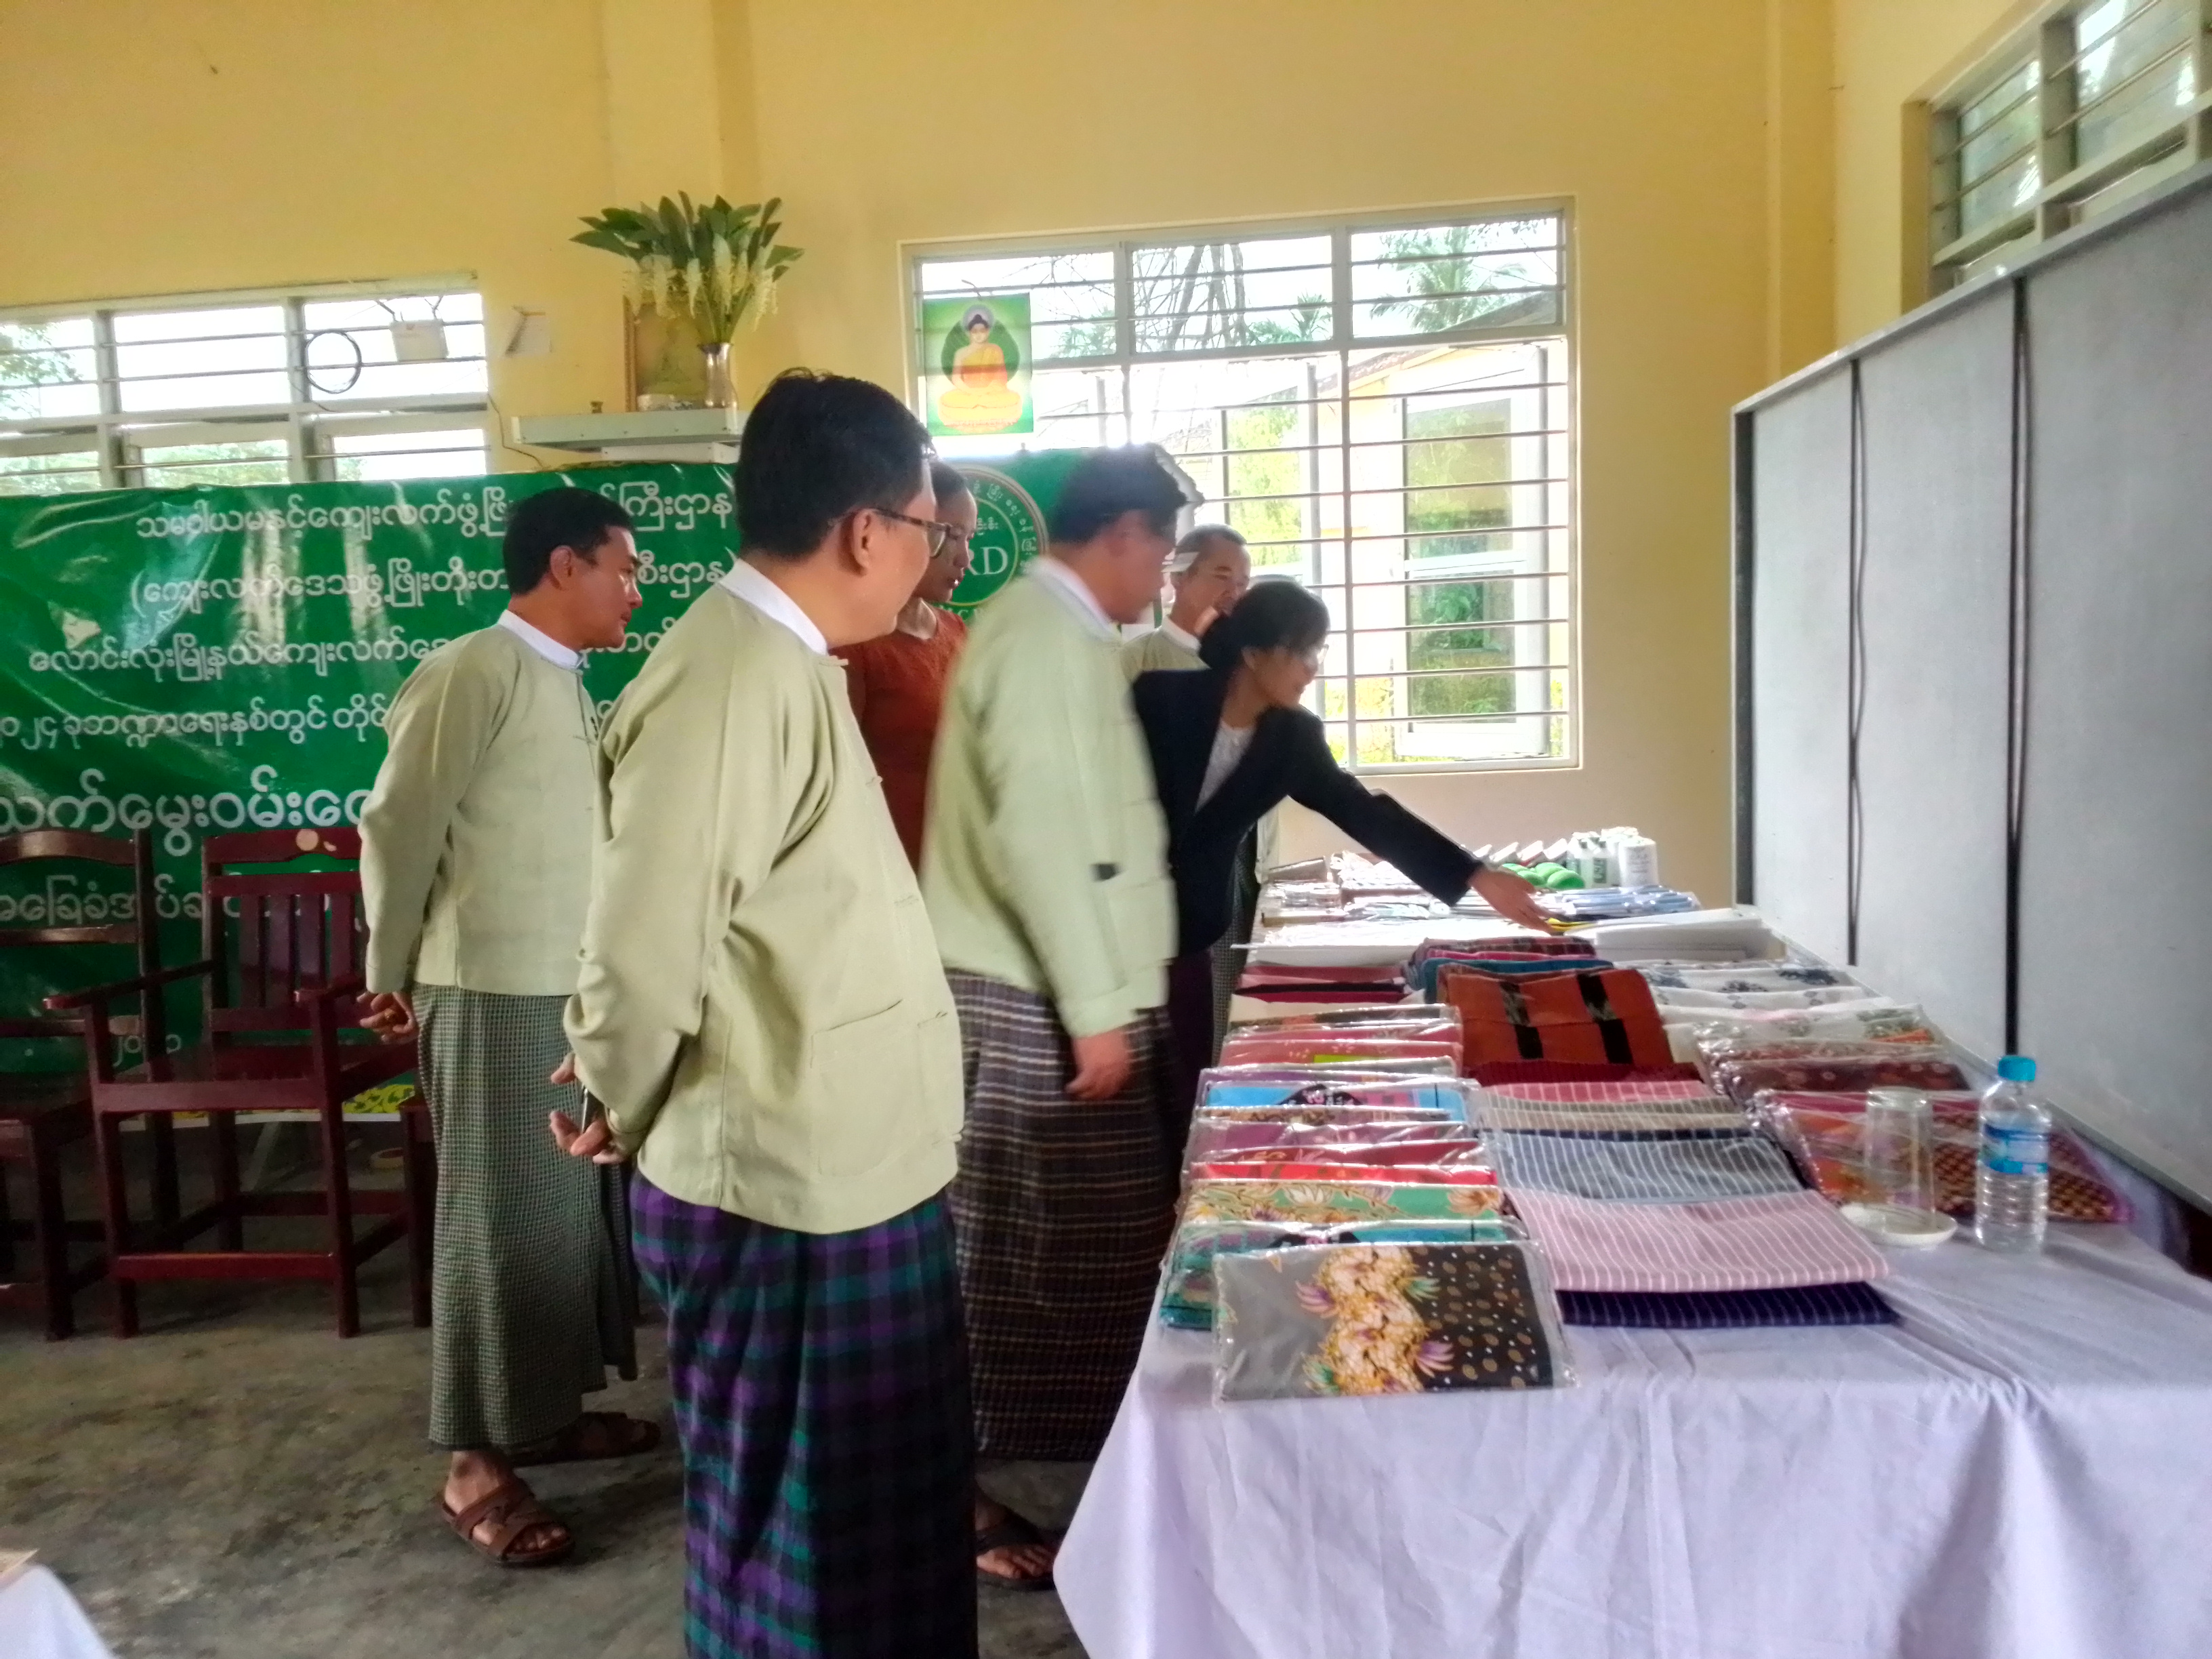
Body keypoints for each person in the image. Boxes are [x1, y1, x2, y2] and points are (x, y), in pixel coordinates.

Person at [551, 371, 976, 1656]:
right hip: (781, 1189)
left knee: (874, 1527)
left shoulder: (790, 662)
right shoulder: (730, 678)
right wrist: (612, 1090)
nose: (933, 554)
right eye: (927, 526)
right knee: (798, 1537)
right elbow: (643, 943)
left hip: (844, 1167)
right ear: (865, 531)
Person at [357, 486, 654, 1570]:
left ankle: (544, 1416)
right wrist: (388, 968)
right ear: (566, 565)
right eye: (625, 568)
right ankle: (474, 1463)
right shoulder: (473, 669)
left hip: (566, 989)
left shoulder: (564, 679)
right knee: (497, 1219)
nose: (636, 590)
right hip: (489, 987)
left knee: (564, 1220)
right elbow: (399, 823)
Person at [922, 445, 1195, 1588]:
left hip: (1074, 986)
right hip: (1033, 991)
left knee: (1095, 1248)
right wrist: (1092, 1013)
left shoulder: (1069, 633)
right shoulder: (1037, 637)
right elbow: (1041, 838)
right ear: (1123, 534)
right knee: (1014, 1251)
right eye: (1163, 556)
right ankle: (953, 1487)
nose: (1163, 582)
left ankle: (1093, 1474)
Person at [1131, 579, 1553, 1113]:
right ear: (1255, 653)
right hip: (1115, 920)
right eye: (1302, 651)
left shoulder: (1293, 739)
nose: (1312, 668)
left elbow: (1363, 811)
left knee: (1179, 1086)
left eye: (1318, 652)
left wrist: (1475, 874)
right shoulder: (1161, 698)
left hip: (1189, 932)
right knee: (1110, 1086)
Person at [832, 459, 977, 867]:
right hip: (891, 872)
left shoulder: (955, 631)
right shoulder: (855, 643)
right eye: (951, 536)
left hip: (958, 871)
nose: (964, 558)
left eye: (969, 539)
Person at [1120, 524, 1250, 679]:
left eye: (1242, 584)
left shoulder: (1250, 662)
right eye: (1222, 577)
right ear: (1179, 577)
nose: (1234, 593)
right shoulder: (1134, 662)